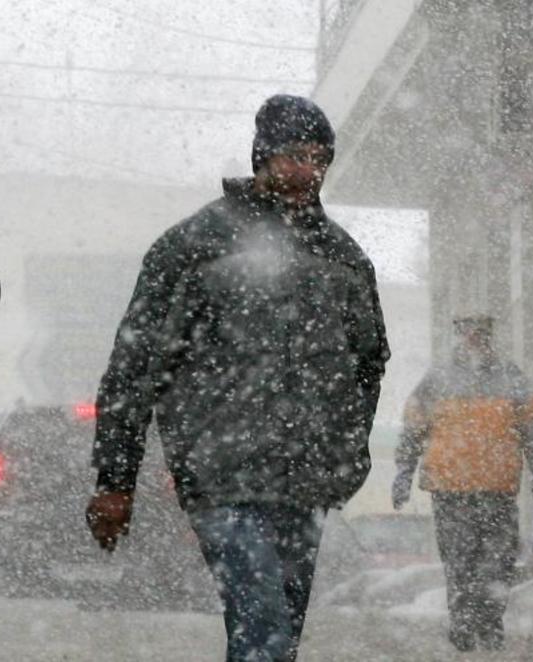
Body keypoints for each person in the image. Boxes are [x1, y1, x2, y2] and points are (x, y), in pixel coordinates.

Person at [86, 94, 390, 662]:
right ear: (262, 156)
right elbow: (134, 365)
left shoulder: (343, 258)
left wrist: (346, 455)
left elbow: (368, 365)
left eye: (319, 159)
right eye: (294, 156)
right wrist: (114, 479)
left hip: (304, 481)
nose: (308, 172)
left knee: (276, 637)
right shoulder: (193, 246)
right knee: (265, 624)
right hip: (221, 476)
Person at [392, 314, 533, 652]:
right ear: (458, 336)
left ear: (489, 337)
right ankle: (464, 626)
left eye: (479, 334)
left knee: (498, 561)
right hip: (451, 491)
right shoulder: (436, 380)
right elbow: (413, 428)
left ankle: (489, 622)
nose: (473, 339)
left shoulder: (511, 378)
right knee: (460, 562)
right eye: (467, 333)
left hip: (497, 489)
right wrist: (403, 471)